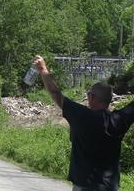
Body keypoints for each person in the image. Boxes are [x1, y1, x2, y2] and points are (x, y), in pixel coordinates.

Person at [33, 55, 134, 191]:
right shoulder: (119, 119)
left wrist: (43, 69)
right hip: (110, 187)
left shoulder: (83, 116)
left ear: (92, 97)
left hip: (84, 186)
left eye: (88, 94)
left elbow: (55, 93)